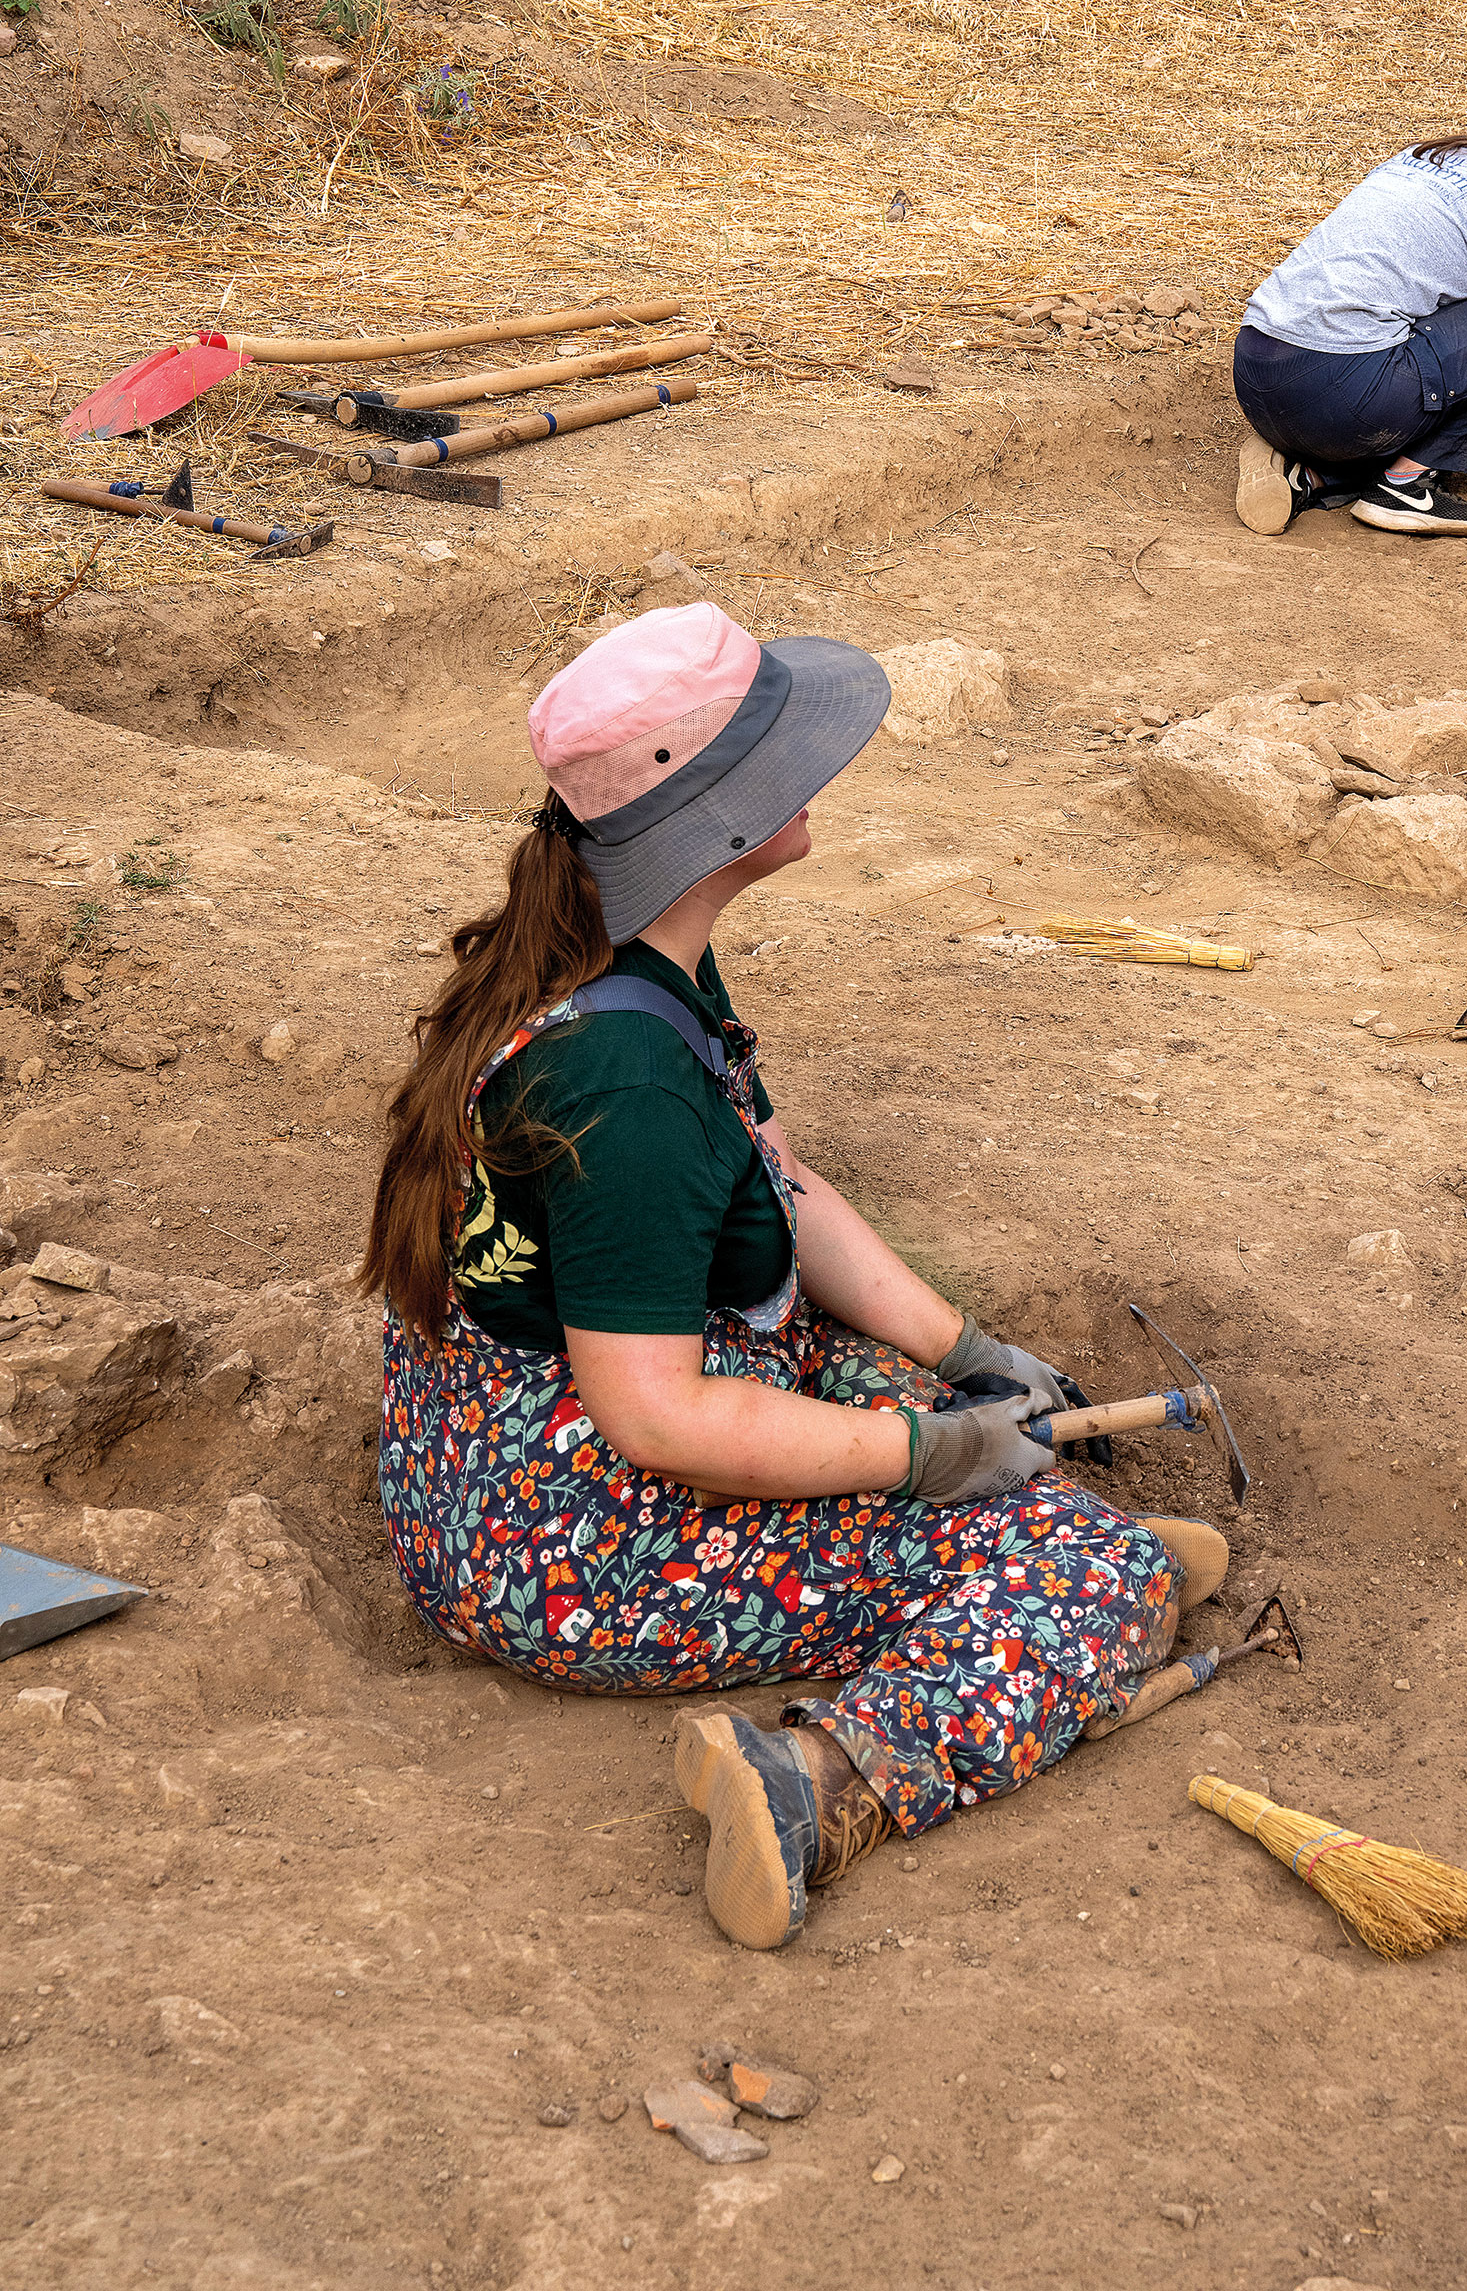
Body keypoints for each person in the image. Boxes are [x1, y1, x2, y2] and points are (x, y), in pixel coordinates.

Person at [363, 601, 1221, 1952]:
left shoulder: (633, 968)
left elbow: (778, 1186)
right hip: (573, 1545)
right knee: (1074, 1572)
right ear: (708, 817)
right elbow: (659, 1421)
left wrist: (967, 1353)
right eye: (777, 753)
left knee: (896, 1392)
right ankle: (820, 1782)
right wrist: (929, 1458)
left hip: (511, 1452)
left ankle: (1009, 1556)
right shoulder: (624, 1083)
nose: (812, 773)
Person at [1232, 69, 1467, 541]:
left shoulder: (1430, 155)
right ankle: (1403, 484)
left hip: (1257, 372)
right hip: (1337, 391)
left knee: (1434, 320)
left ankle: (1308, 476)